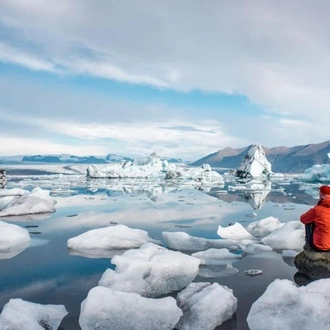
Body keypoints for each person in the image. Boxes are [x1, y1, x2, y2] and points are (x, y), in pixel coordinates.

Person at [300, 185, 330, 251]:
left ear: (321, 194)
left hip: (322, 246)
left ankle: (308, 246)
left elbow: (303, 219)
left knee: (309, 222)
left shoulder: (318, 210)